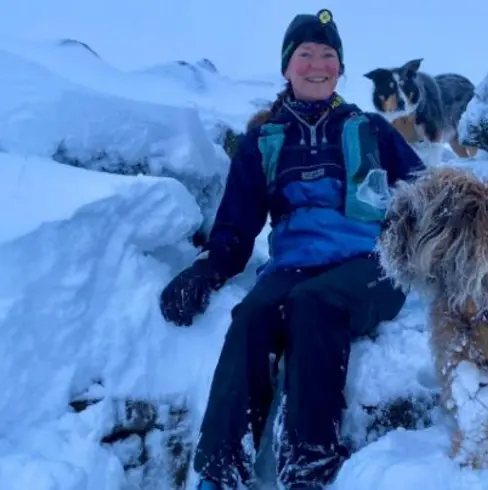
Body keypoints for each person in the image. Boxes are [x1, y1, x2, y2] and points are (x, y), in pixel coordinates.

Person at [159, 8, 425, 490]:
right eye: (305, 54)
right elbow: (237, 226)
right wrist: (208, 269)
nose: (317, 64)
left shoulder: (372, 130)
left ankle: (309, 467)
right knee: (253, 315)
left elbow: (428, 195)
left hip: (372, 264)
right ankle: (221, 472)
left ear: (341, 68)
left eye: (328, 55)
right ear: (287, 66)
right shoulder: (263, 141)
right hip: (293, 265)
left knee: (314, 304)